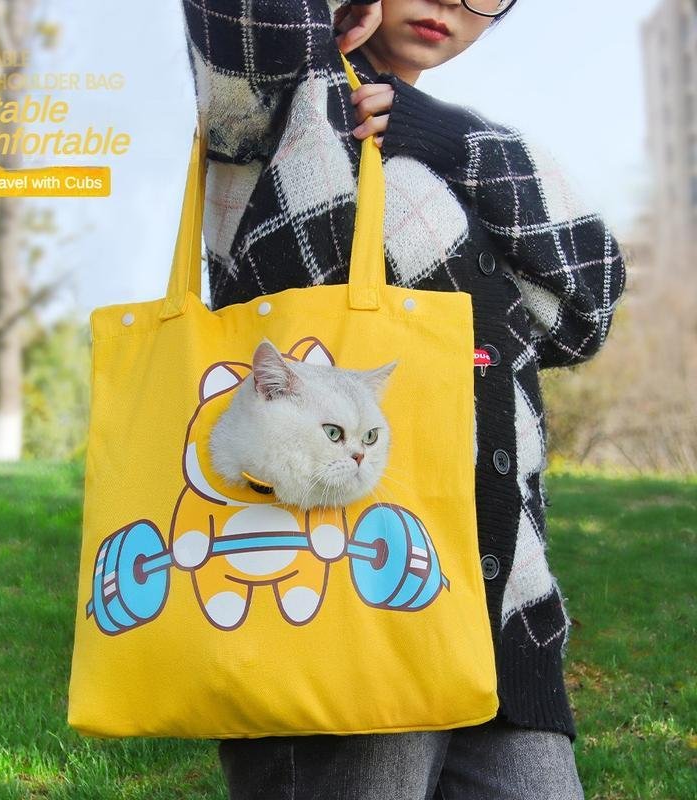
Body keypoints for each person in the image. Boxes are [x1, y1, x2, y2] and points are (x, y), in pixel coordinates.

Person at [177, 1, 627, 797]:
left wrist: (453, 140)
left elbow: (588, 306)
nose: (453, 3)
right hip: (337, 615)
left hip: (505, 619)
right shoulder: (284, 95)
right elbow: (249, 17)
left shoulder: (456, 156)